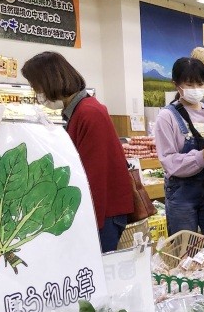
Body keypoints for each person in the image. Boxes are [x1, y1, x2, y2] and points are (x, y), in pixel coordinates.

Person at [21, 52, 133, 253]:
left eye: (36, 87)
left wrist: (86, 226)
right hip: (102, 213)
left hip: (104, 215)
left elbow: (95, 177)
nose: (36, 93)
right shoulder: (79, 110)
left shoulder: (88, 113)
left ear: (50, 81)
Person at [154, 57, 204, 236]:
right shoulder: (167, 117)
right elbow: (168, 160)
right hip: (182, 192)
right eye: (189, 84)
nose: (195, 89)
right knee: (185, 247)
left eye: (200, 84)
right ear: (176, 85)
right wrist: (201, 156)